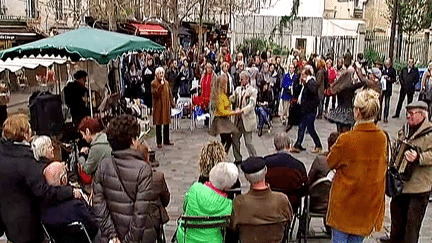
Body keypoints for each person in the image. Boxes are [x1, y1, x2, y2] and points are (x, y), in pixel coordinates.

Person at [0, 114, 80, 243]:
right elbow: (42, 191)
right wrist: (70, 192)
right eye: (29, 128)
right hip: (27, 224)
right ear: (25, 134)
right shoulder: (24, 161)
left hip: (8, 220)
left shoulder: (4, 152)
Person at [326, 89, 387, 242]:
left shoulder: (346, 139)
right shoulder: (382, 138)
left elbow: (329, 162)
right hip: (367, 204)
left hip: (345, 203)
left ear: (358, 112)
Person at [94, 115, 161, 243]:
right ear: (132, 140)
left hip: (112, 237)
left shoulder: (103, 165)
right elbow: (140, 214)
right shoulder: (143, 169)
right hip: (139, 237)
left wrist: (112, 235)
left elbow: (99, 207)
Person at [389, 101, 432, 243]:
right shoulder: (405, 129)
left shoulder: (430, 133)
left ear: (423, 115)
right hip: (400, 185)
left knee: (412, 227)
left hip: (419, 187)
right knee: (397, 221)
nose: (409, 117)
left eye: (413, 114)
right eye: (408, 114)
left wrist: (419, 157)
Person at [230, 157, 293, 242]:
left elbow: (233, 228)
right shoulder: (281, 200)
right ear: (265, 171)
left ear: (246, 177)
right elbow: (288, 223)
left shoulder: (239, 202)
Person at [176, 162, 239, 243]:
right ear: (228, 186)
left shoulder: (195, 188)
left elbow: (185, 207)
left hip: (186, 238)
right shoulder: (228, 205)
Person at [41, 162, 98, 241]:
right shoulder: (76, 206)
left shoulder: (43, 212)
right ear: (63, 179)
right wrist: (87, 202)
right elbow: (94, 225)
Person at [264, 133, 308, 212]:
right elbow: (305, 186)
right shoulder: (298, 165)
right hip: (291, 202)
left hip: (271, 201)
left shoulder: (266, 162)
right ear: (289, 145)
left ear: (275, 146)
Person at [307, 132, 339, 233]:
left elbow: (309, 182)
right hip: (337, 206)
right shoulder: (344, 164)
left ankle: (304, 227)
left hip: (317, 204)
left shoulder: (320, 160)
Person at [291, 68, 323, 153]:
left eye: (303, 74)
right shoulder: (306, 83)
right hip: (305, 110)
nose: (301, 76)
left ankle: (318, 145)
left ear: (306, 75)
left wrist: (307, 83)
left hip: (310, 110)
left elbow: (313, 91)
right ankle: (298, 144)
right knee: (302, 127)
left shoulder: (311, 82)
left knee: (310, 128)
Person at [209, 75, 241, 153]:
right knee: (227, 141)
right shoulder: (219, 96)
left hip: (224, 119)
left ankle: (221, 155)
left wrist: (230, 101)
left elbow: (226, 105)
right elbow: (221, 111)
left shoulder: (222, 94)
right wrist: (233, 112)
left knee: (225, 141)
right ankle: (221, 156)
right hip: (220, 120)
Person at [230, 70, 258, 163]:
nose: (240, 80)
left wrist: (242, 110)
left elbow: (251, 105)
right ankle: (237, 158)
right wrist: (228, 99)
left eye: (242, 79)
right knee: (235, 140)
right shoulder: (238, 89)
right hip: (237, 120)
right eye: (240, 79)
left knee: (248, 142)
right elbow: (233, 98)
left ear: (247, 79)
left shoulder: (253, 91)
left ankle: (254, 158)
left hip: (246, 119)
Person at [151, 67, 175, 149]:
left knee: (166, 123)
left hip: (166, 106)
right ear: (156, 74)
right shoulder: (153, 83)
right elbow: (155, 94)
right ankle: (159, 141)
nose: (161, 74)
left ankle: (166, 140)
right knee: (158, 124)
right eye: (159, 73)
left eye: (162, 73)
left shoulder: (167, 83)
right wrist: (160, 86)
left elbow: (170, 93)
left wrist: (172, 103)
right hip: (158, 107)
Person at [381, 58, 397, 123]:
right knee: (380, 102)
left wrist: (390, 79)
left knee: (387, 104)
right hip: (382, 88)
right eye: (386, 64)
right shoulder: (383, 70)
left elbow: (394, 79)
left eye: (388, 64)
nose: (387, 65)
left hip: (388, 88)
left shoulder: (392, 70)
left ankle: (385, 117)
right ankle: (379, 116)